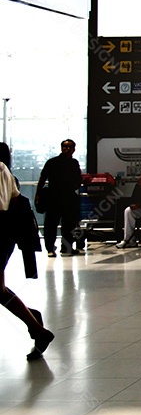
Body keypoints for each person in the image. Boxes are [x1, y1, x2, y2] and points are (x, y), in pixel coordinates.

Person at [0, 142, 55, 360]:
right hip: (5, 233)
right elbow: (15, 199)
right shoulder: (5, 171)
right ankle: (36, 325)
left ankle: (37, 328)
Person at [35, 139, 83, 257]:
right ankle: (54, 248)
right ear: (61, 148)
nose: (67, 149)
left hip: (61, 197)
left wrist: (38, 193)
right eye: (65, 147)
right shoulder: (54, 162)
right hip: (57, 197)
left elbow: (78, 180)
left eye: (69, 147)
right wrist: (38, 193)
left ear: (73, 149)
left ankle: (62, 247)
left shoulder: (67, 163)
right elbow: (42, 179)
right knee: (53, 224)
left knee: (67, 225)